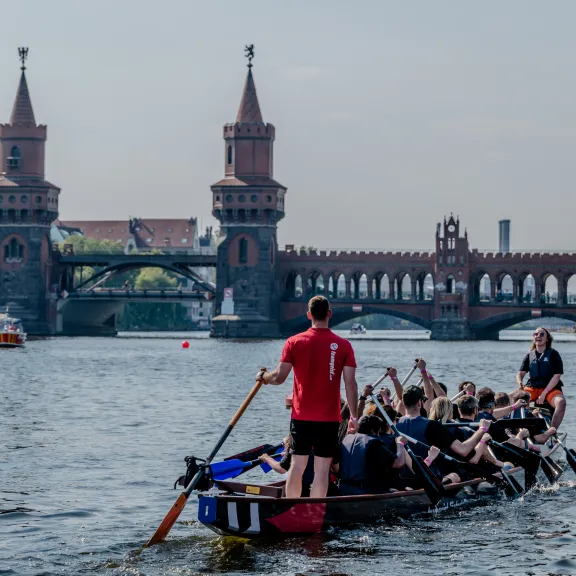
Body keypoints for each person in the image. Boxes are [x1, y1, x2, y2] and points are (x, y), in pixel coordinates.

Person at [260, 295, 359, 498]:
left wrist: (263, 377)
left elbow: (279, 378)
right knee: (322, 470)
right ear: (329, 314)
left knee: (297, 465)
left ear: (308, 315)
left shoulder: (294, 342)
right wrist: (354, 417)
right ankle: (315, 512)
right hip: (329, 417)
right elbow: (350, 384)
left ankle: (293, 509)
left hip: (302, 416)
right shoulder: (344, 345)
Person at [338, 415, 408, 495]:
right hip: (366, 494)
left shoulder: (346, 439)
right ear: (373, 431)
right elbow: (398, 463)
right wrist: (400, 444)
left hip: (343, 490)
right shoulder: (373, 443)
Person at [516, 327, 566, 429]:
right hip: (533, 388)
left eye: (541, 334)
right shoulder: (529, 355)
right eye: (535, 334)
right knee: (511, 397)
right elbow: (520, 374)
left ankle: (552, 432)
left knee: (561, 403)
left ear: (547, 339)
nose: (538, 336)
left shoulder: (553, 354)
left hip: (550, 389)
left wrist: (544, 394)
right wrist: (520, 384)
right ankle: (515, 428)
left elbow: (557, 376)